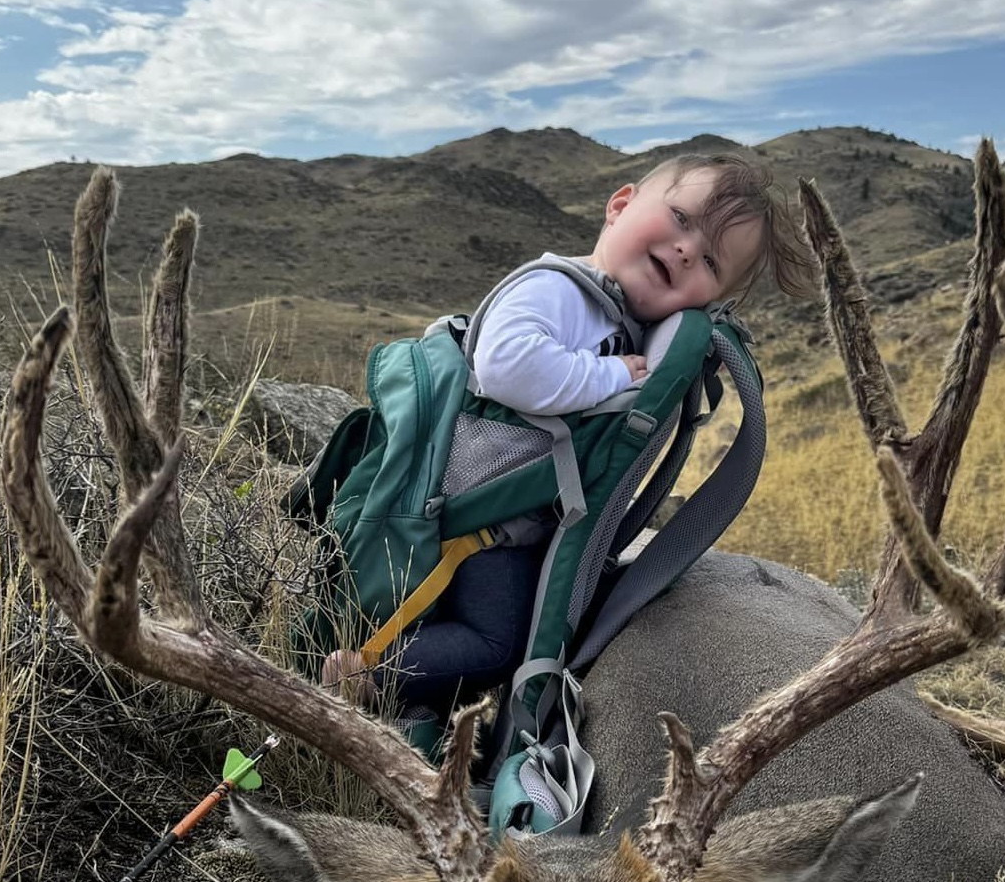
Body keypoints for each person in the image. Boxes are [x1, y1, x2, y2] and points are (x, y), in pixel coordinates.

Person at [322, 151, 816, 715]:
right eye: (681, 219)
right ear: (620, 206)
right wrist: (608, 374)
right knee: (496, 646)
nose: (685, 250)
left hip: (503, 516)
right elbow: (507, 364)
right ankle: (363, 673)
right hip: (474, 518)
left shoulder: (618, 317)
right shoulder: (560, 290)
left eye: (710, 260)